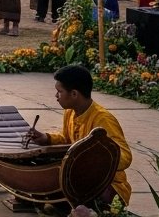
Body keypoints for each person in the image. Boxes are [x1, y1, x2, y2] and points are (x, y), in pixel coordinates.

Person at [22, 65, 132, 208]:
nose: (56, 96)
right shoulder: (71, 112)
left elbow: (125, 156)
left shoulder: (103, 119)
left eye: (59, 92)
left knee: (60, 192)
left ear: (74, 94)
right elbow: (67, 138)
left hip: (109, 185)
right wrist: (46, 138)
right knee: (43, 180)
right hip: (80, 180)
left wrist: (93, 161)